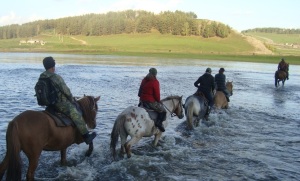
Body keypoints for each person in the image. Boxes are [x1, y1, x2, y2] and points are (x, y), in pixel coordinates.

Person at [39, 56, 96, 144]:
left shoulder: (41, 77)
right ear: (53, 66)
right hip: (60, 104)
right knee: (77, 116)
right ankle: (86, 136)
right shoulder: (56, 77)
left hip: (49, 105)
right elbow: (66, 91)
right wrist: (71, 99)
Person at [138, 68, 166, 132]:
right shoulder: (155, 82)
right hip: (150, 101)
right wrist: (159, 101)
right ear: (155, 74)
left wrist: (141, 97)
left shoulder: (144, 80)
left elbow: (140, 91)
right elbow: (157, 94)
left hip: (142, 100)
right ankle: (159, 123)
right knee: (163, 111)